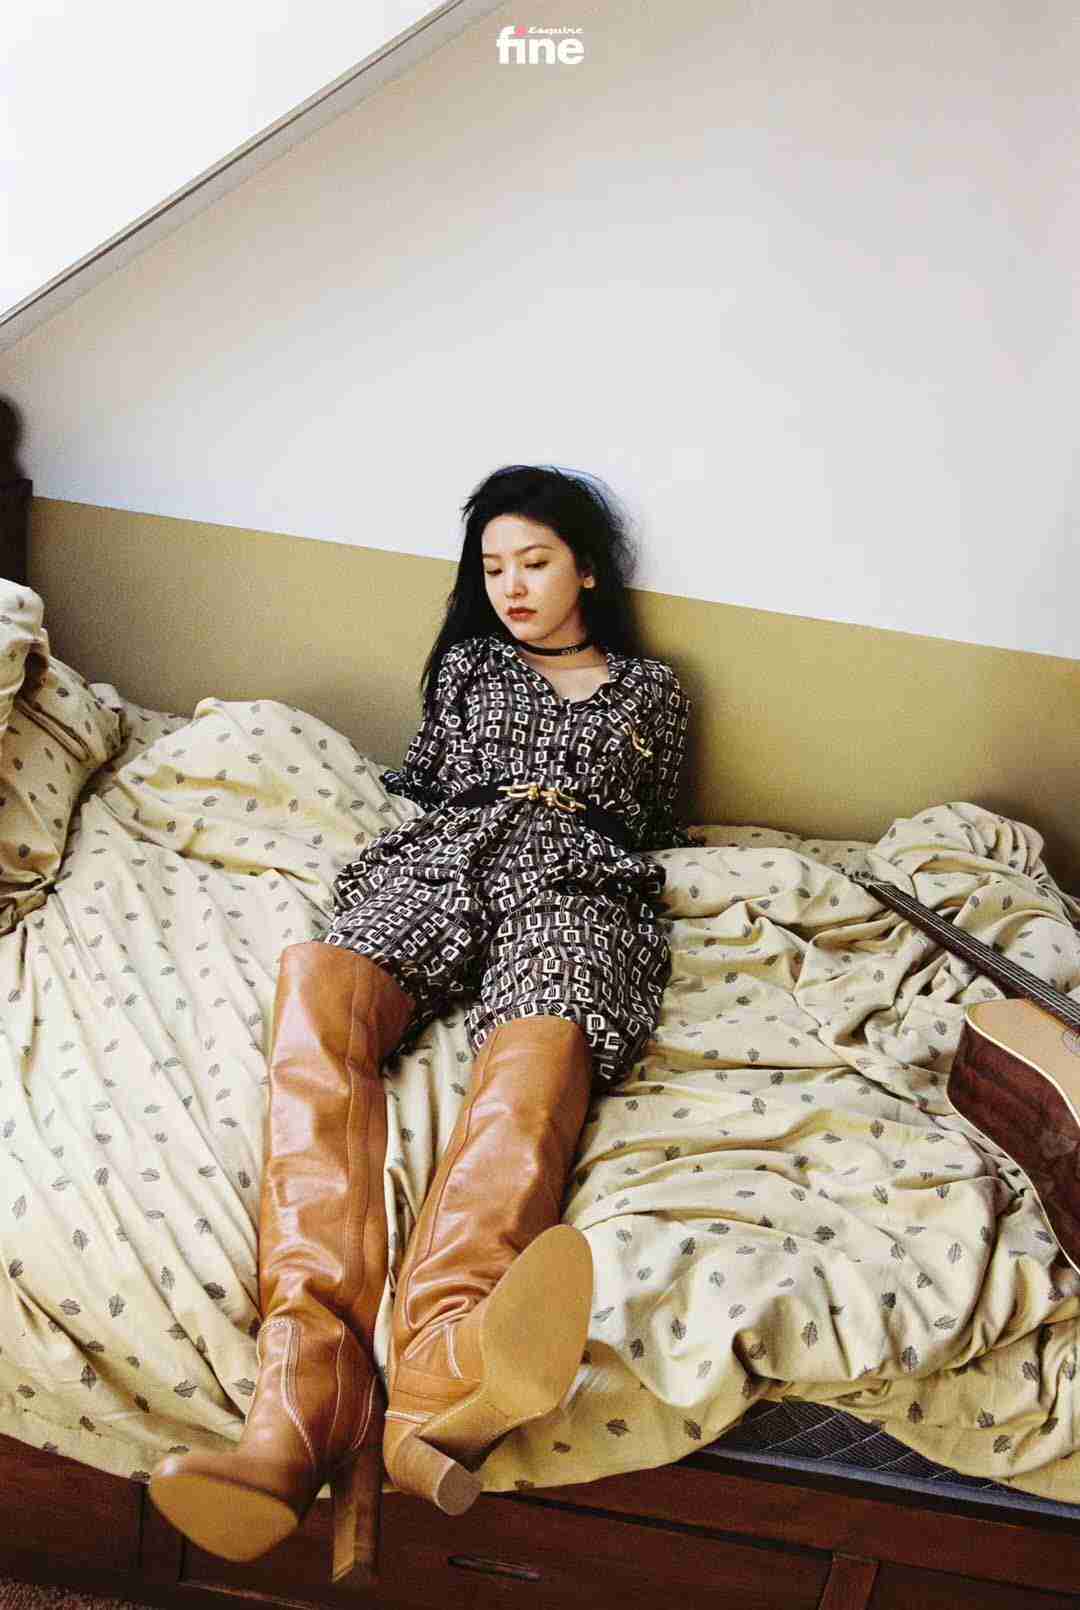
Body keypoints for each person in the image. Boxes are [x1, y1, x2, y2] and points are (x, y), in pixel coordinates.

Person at [148, 464, 695, 1583]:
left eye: (534, 562)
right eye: (492, 568)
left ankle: (444, 1356)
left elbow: (652, 822)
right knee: (321, 998)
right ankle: (304, 1383)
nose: (513, 587)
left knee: (541, 1047)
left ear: (588, 569)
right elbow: (426, 779)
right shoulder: (467, 666)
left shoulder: (653, 690)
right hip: (449, 850)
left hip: (578, 869)